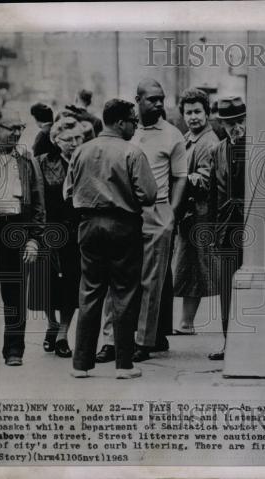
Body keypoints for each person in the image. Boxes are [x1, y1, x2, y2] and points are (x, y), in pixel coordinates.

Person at [95, 79, 188, 364]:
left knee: (151, 281)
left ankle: (143, 341)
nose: (158, 104)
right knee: (117, 279)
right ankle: (111, 340)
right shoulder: (125, 131)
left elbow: (180, 177)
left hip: (157, 212)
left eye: (161, 99)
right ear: (138, 99)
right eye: (152, 99)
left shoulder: (173, 135)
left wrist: (170, 211)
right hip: (125, 212)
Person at [64, 98, 157, 379]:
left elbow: (67, 192)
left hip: (88, 225)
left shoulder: (81, 150)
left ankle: (81, 364)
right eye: (132, 121)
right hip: (123, 226)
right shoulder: (132, 152)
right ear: (120, 123)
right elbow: (149, 195)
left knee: (90, 291)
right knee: (124, 293)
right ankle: (124, 364)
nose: (135, 125)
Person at [0, 110, 45, 366]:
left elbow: (37, 204)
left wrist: (34, 239)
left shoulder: (26, 160)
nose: (16, 133)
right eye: (10, 128)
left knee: (15, 293)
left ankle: (14, 350)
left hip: (15, 229)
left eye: (20, 128)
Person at [33, 117, 84, 358]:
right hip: (48, 231)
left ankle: (63, 333)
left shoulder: (85, 160)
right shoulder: (43, 163)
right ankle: (51, 324)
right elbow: (37, 198)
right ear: (55, 140)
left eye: (78, 138)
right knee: (46, 284)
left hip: (76, 232)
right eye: (69, 139)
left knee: (71, 283)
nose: (75, 143)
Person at [172, 88, 220, 334]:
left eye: (197, 112)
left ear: (207, 113)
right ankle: (185, 322)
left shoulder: (208, 142)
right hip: (188, 213)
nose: (193, 117)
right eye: (188, 112)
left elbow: (204, 180)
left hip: (199, 213)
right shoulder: (188, 137)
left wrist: (180, 179)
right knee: (187, 267)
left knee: (193, 269)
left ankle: (186, 322)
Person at [207, 96, 247, 361]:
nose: (235, 127)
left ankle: (257, 344)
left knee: (256, 287)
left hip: (253, 227)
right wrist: (212, 230)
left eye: (239, 121)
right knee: (227, 289)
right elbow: (213, 195)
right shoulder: (218, 151)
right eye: (229, 122)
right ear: (221, 124)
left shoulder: (258, 148)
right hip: (225, 229)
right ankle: (229, 342)